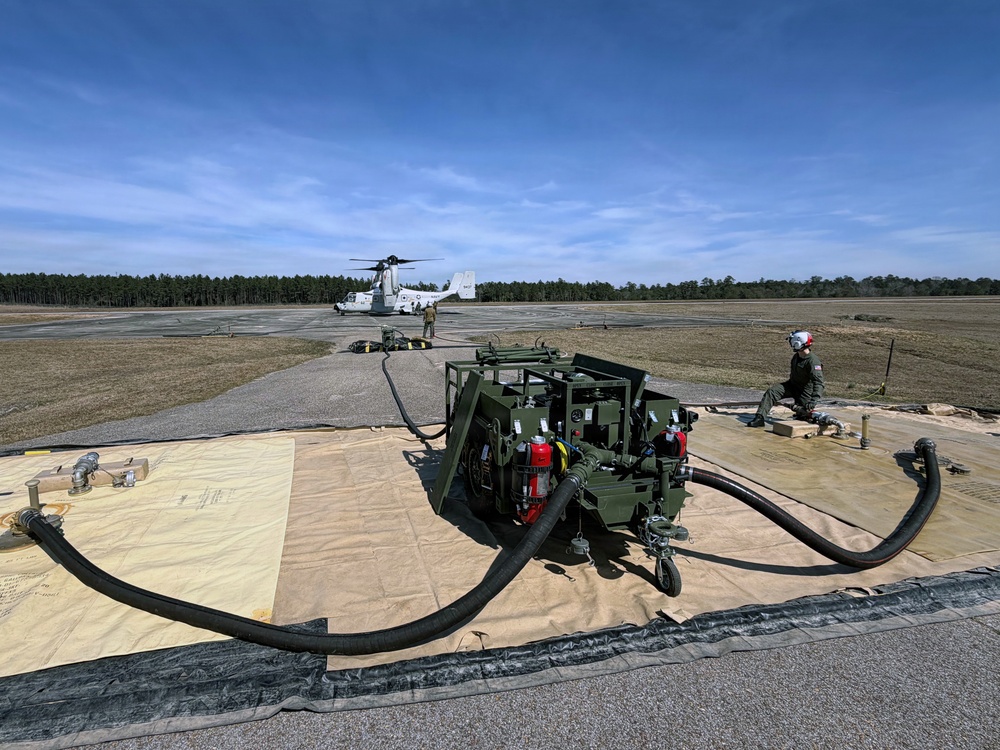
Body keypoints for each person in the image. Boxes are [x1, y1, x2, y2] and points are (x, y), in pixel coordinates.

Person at [748, 330, 825, 427]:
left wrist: (813, 401)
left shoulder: (813, 362)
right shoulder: (796, 356)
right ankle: (760, 418)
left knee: (805, 415)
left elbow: (819, 383)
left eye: (792, 341)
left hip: (805, 392)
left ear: (798, 342)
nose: (791, 344)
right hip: (792, 385)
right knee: (772, 392)